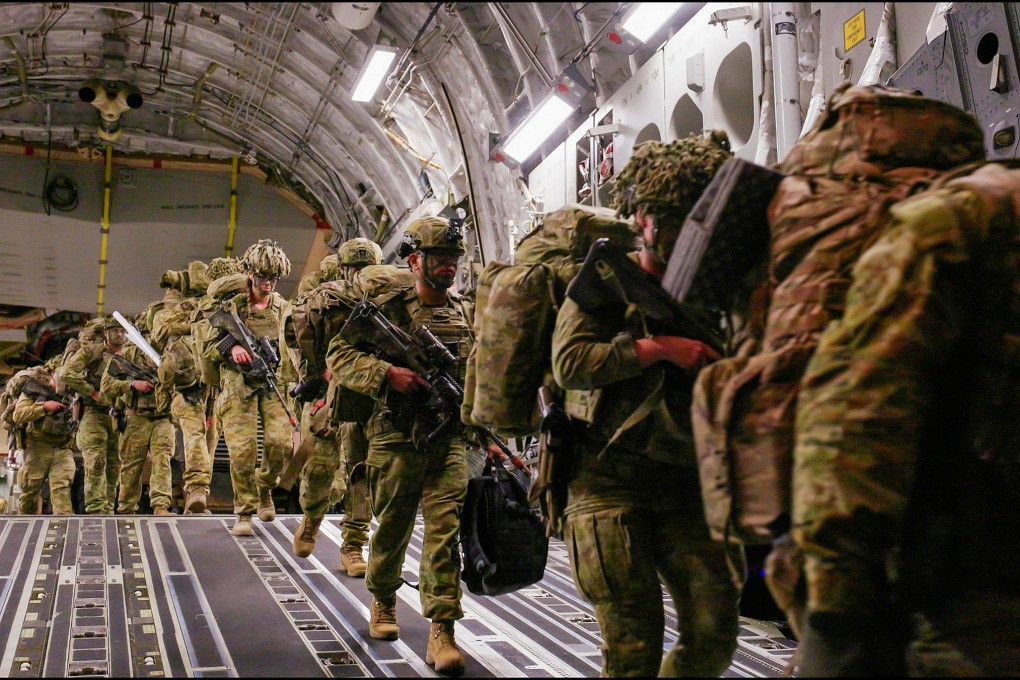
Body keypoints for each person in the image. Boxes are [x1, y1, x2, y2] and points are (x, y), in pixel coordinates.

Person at [790, 162, 1020, 676]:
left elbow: (855, 423)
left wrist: (835, 609)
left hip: (974, 592)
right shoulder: (971, 221)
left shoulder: (961, 221)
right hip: (975, 577)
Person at [550, 134, 744, 677]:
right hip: (605, 480)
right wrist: (658, 350)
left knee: (714, 633)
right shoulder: (604, 281)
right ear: (643, 218)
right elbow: (570, 362)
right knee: (633, 645)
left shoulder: (713, 287)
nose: (685, 238)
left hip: (688, 477)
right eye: (674, 222)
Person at [327, 217, 501, 676]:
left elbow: (477, 378)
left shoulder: (466, 313)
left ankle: (443, 627)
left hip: (450, 439)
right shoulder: (387, 310)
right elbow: (339, 354)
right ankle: (384, 600)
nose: (448, 265)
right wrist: (387, 373)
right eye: (439, 257)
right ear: (414, 261)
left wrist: (487, 435)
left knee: (445, 532)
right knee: (393, 527)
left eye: (453, 258)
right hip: (396, 436)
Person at [290, 237, 383, 579]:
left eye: (366, 267)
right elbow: (294, 335)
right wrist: (315, 373)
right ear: (343, 269)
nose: (360, 274)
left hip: (367, 394)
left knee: (360, 470)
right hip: (329, 393)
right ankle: (311, 519)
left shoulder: (389, 300)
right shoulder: (323, 300)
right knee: (319, 468)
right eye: (354, 268)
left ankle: (353, 546)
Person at [203, 239, 295, 537]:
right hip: (237, 382)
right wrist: (231, 348)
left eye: (274, 277)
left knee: (280, 443)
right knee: (242, 451)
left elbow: (294, 344)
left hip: (273, 380)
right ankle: (243, 511)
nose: (269, 283)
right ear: (251, 274)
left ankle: (265, 486)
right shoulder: (231, 307)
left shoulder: (283, 308)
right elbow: (207, 343)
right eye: (263, 276)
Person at [151, 257, 242, 514]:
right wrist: (197, 326)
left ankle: (195, 499)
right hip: (188, 387)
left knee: (210, 441)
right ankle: (198, 488)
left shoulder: (236, 310)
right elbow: (160, 330)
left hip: (216, 388)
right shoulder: (194, 306)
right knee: (196, 434)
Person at [101, 312, 175, 516]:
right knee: (132, 465)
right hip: (136, 416)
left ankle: (160, 505)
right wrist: (132, 384)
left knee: (162, 459)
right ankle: (126, 508)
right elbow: (106, 386)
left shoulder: (170, 353)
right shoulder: (126, 356)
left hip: (163, 416)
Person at [60, 316, 127, 514]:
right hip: (92, 412)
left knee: (114, 465)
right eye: (115, 331)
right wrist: (92, 392)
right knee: (96, 460)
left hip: (117, 414)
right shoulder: (91, 351)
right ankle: (96, 508)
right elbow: (66, 374)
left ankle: (108, 508)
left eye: (123, 331)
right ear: (106, 333)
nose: (119, 334)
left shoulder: (130, 355)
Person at [11, 359, 76, 515]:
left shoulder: (72, 391)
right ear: (52, 373)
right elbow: (18, 415)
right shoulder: (34, 389)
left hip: (62, 447)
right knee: (30, 493)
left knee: (62, 491)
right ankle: (25, 526)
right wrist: (44, 407)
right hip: (37, 447)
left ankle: (63, 525)